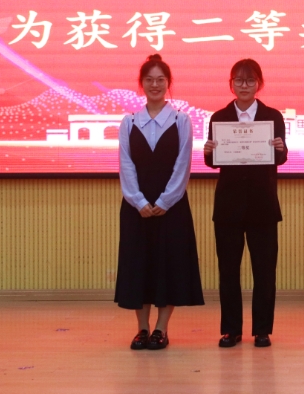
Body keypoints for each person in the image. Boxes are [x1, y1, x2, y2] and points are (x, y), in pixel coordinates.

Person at [115, 53, 205, 350]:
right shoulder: (129, 122)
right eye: (149, 80)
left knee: (170, 266)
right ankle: (142, 329)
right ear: (141, 84)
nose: (155, 85)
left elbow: (183, 165)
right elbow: (125, 165)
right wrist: (138, 201)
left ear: (168, 83)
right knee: (139, 266)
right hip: (136, 209)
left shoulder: (181, 120)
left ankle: (161, 329)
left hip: (172, 207)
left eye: (160, 80)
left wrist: (166, 201)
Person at [203, 59, 288, 348]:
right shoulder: (219, 117)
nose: (244, 86)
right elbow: (213, 162)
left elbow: (280, 158)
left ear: (259, 84)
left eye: (250, 81)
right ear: (231, 84)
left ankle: (262, 330)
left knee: (264, 271)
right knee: (228, 271)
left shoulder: (272, 117)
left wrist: (280, 149)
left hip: (263, 205)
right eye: (238, 81)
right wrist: (208, 152)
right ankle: (231, 330)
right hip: (228, 206)